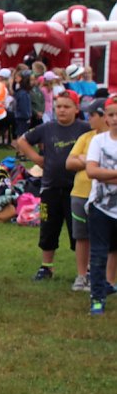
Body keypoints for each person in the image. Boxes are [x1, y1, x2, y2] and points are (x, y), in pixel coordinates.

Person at [17, 90, 90, 281]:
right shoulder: (47, 128)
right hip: (50, 187)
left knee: (79, 231)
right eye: (58, 107)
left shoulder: (85, 129)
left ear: (76, 109)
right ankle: (46, 266)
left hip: (76, 190)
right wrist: (36, 158)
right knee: (48, 226)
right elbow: (22, 141)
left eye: (67, 107)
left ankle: (84, 270)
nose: (62, 111)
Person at [66, 98, 117, 293]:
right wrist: (89, 163)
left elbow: (92, 168)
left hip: (107, 200)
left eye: (93, 115)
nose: (90, 118)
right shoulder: (90, 138)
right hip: (83, 194)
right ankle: (83, 277)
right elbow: (73, 164)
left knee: (112, 245)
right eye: (109, 115)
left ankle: (108, 281)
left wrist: (88, 162)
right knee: (84, 238)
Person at [85, 98, 117, 315]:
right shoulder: (99, 141)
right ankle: (97, 298)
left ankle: (107, 285)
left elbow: (99, 172)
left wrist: (107, 176)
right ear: (105, 118)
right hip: (100, 208)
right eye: (111, 115)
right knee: (98, 255)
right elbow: (92, 171)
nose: (115, 119)